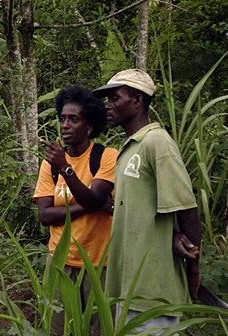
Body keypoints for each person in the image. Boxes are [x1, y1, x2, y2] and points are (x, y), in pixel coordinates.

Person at [93, 69, 202, 335]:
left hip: (153, 290)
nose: (108, 105)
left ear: (137, 100)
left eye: (115, 98)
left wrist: (193, 272)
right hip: (128, 286)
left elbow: (185, 206)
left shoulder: (157, 143)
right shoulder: (129, 147)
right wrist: (172, 231)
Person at [33, 84, 118, 335]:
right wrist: (90, 206)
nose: (65, 125)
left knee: (99, 330)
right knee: (57, 330)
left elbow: (95, 196)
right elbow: (45, 216)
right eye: (62, 119)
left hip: (99, 264)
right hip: (60, 263)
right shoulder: (49, 165)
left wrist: (66, 169)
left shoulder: (106, 157)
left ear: (89, 125)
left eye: (74, 119)